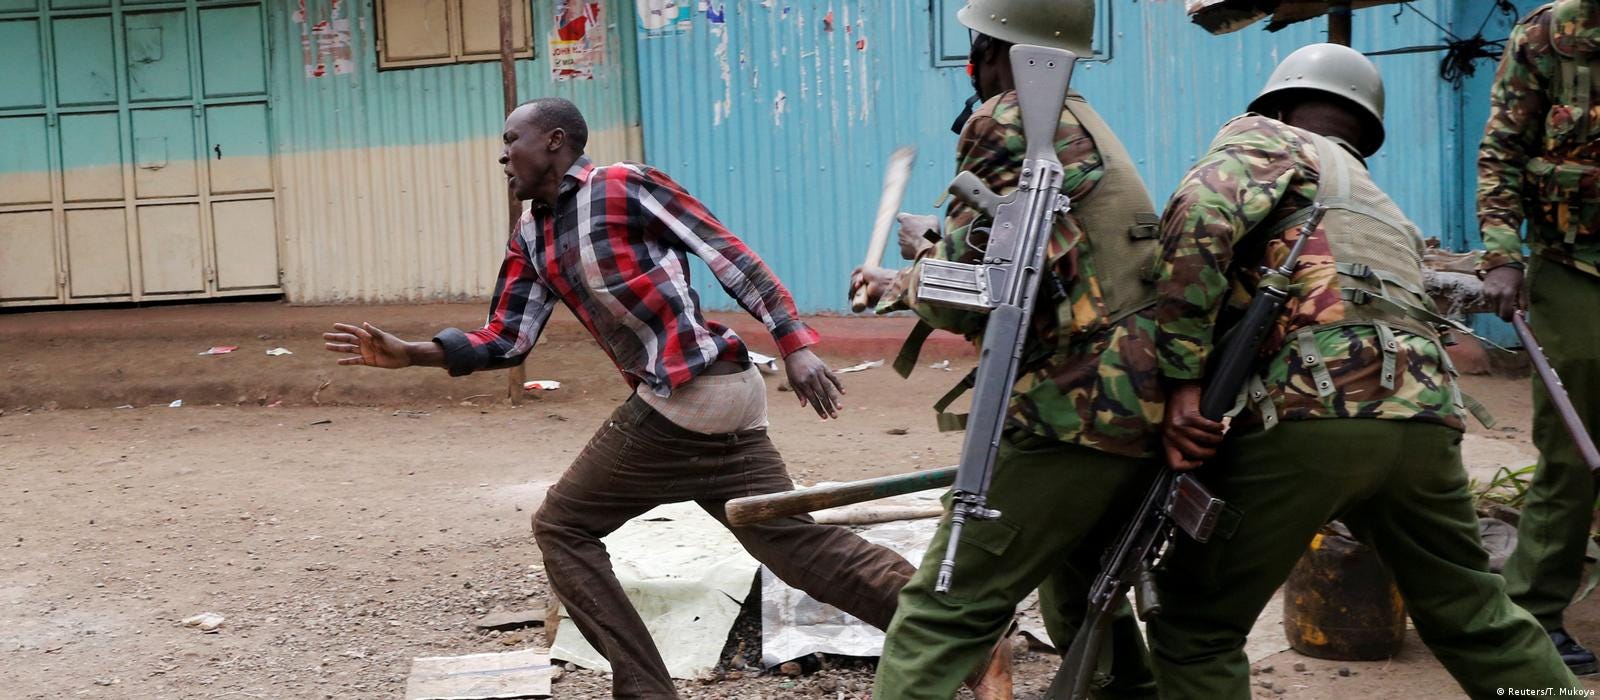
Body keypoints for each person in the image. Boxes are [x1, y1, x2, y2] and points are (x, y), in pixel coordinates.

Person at [322, 97, 918, 699]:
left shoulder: (624, 186)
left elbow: (727, 256)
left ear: (555, 141)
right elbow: (507, 337)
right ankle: (955, 635)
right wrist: (413, 353)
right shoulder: (531, 235)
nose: (503, 155)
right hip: (719, 400)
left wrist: (795, 343)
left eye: (513, 140)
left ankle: (645, 692)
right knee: (792, 545)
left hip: (691, 392)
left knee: (562, 526)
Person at [1144, 43, 1583, 699]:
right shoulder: (1383, 206)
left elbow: (1201, 216)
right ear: (1364, 130)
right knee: (1478, 617)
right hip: (1426, 418)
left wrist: (1181, 383)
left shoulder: (1265, 140)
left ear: (1281, 103)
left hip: (1316, 414)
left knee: (1195, 626)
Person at [851, 1, 1169, 697]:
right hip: (1139, 401)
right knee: (1082, 600)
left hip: (1072, 408)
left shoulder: (1007, 117)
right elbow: (1037, 262)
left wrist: (907, 282)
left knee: (939, 613)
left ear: (992, 51)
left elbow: (972, 297)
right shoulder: (1079, 121)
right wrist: (920, 262)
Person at [1479, 0, 1600, 675]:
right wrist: (1501, 254)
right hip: (1573, 264)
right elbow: (1502, 151)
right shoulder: (1546, 36)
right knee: (1573, 444)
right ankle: (1534, 608)